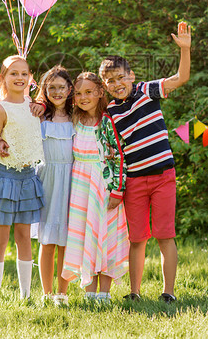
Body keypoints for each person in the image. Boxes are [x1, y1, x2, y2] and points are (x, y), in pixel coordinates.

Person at [99, 21, 191, 303]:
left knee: (165, 235)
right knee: (137, 239)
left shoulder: (147, 90)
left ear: (131, 75)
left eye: (120, 78)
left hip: (163, 176)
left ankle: (168, 293)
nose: (117, 85)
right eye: (110, 81)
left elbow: (180, 78)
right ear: (105, 86)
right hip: (135, 181)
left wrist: (185, 50)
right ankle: (135, 292)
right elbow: (114, 149)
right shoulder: (111, 112)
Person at [0, 55, 46, 305]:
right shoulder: (0, 109)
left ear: (30, 77)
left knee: (24, 237)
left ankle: (26, 296)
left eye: (23, 73)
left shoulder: (35, 106)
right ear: (3, 78)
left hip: (28, 178)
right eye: (13, 73)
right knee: (0, 238)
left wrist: (42, 103)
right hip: (4, 179)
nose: (19, 78)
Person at [61, 72, 129, 303]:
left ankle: (104, 293)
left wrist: (117, 190)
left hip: (103, 185)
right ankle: (90, 293)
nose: (83, 97)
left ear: (100, 92)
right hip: (80, 185)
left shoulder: (108, 122)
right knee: (85, 236)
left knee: (104, 234)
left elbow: (119, 157)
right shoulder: (74, 120)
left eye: (89, 92)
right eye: (78, 93)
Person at [31, 66, 76, 306]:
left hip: (71, 178)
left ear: (70, 90)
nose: (57, 92)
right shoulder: (39, 116)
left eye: (61, 87)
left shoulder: (76, 116)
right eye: (51, 88)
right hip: (47, 177)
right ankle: (46, 293)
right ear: (44, 90)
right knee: (47, 239)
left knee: (66, 240)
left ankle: (62, 292)